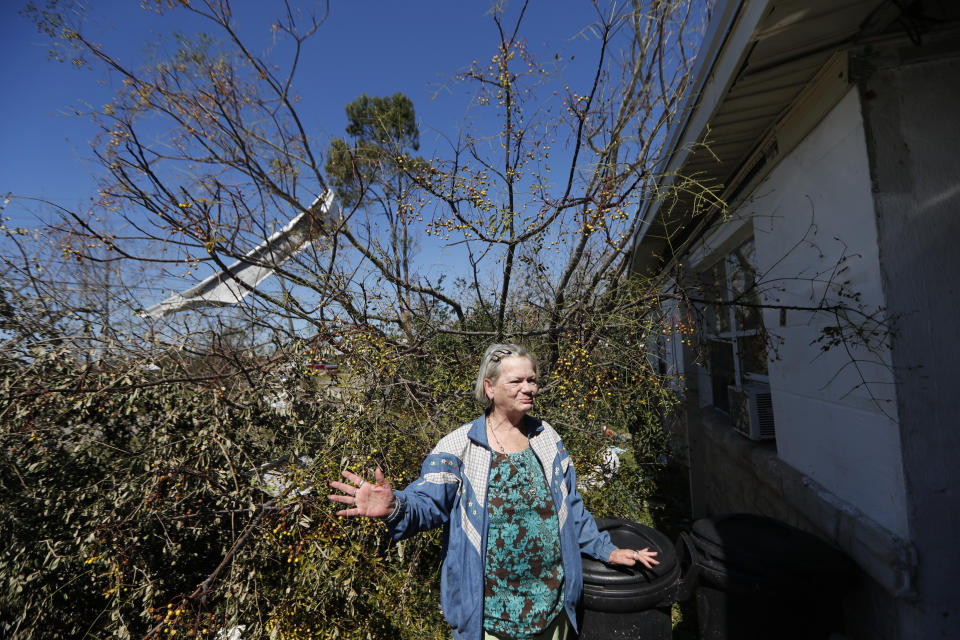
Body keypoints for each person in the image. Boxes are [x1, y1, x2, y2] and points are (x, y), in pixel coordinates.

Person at [328, 343, 659, 640]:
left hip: (552, 611)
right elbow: (427, 502)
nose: (528, 388)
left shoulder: (547, 439)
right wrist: (395, 506)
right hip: (491, 620)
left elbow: (571, 508)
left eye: (532, 380)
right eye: (516, 381)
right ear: (489, 387)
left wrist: (607, 550)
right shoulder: (459, 447)